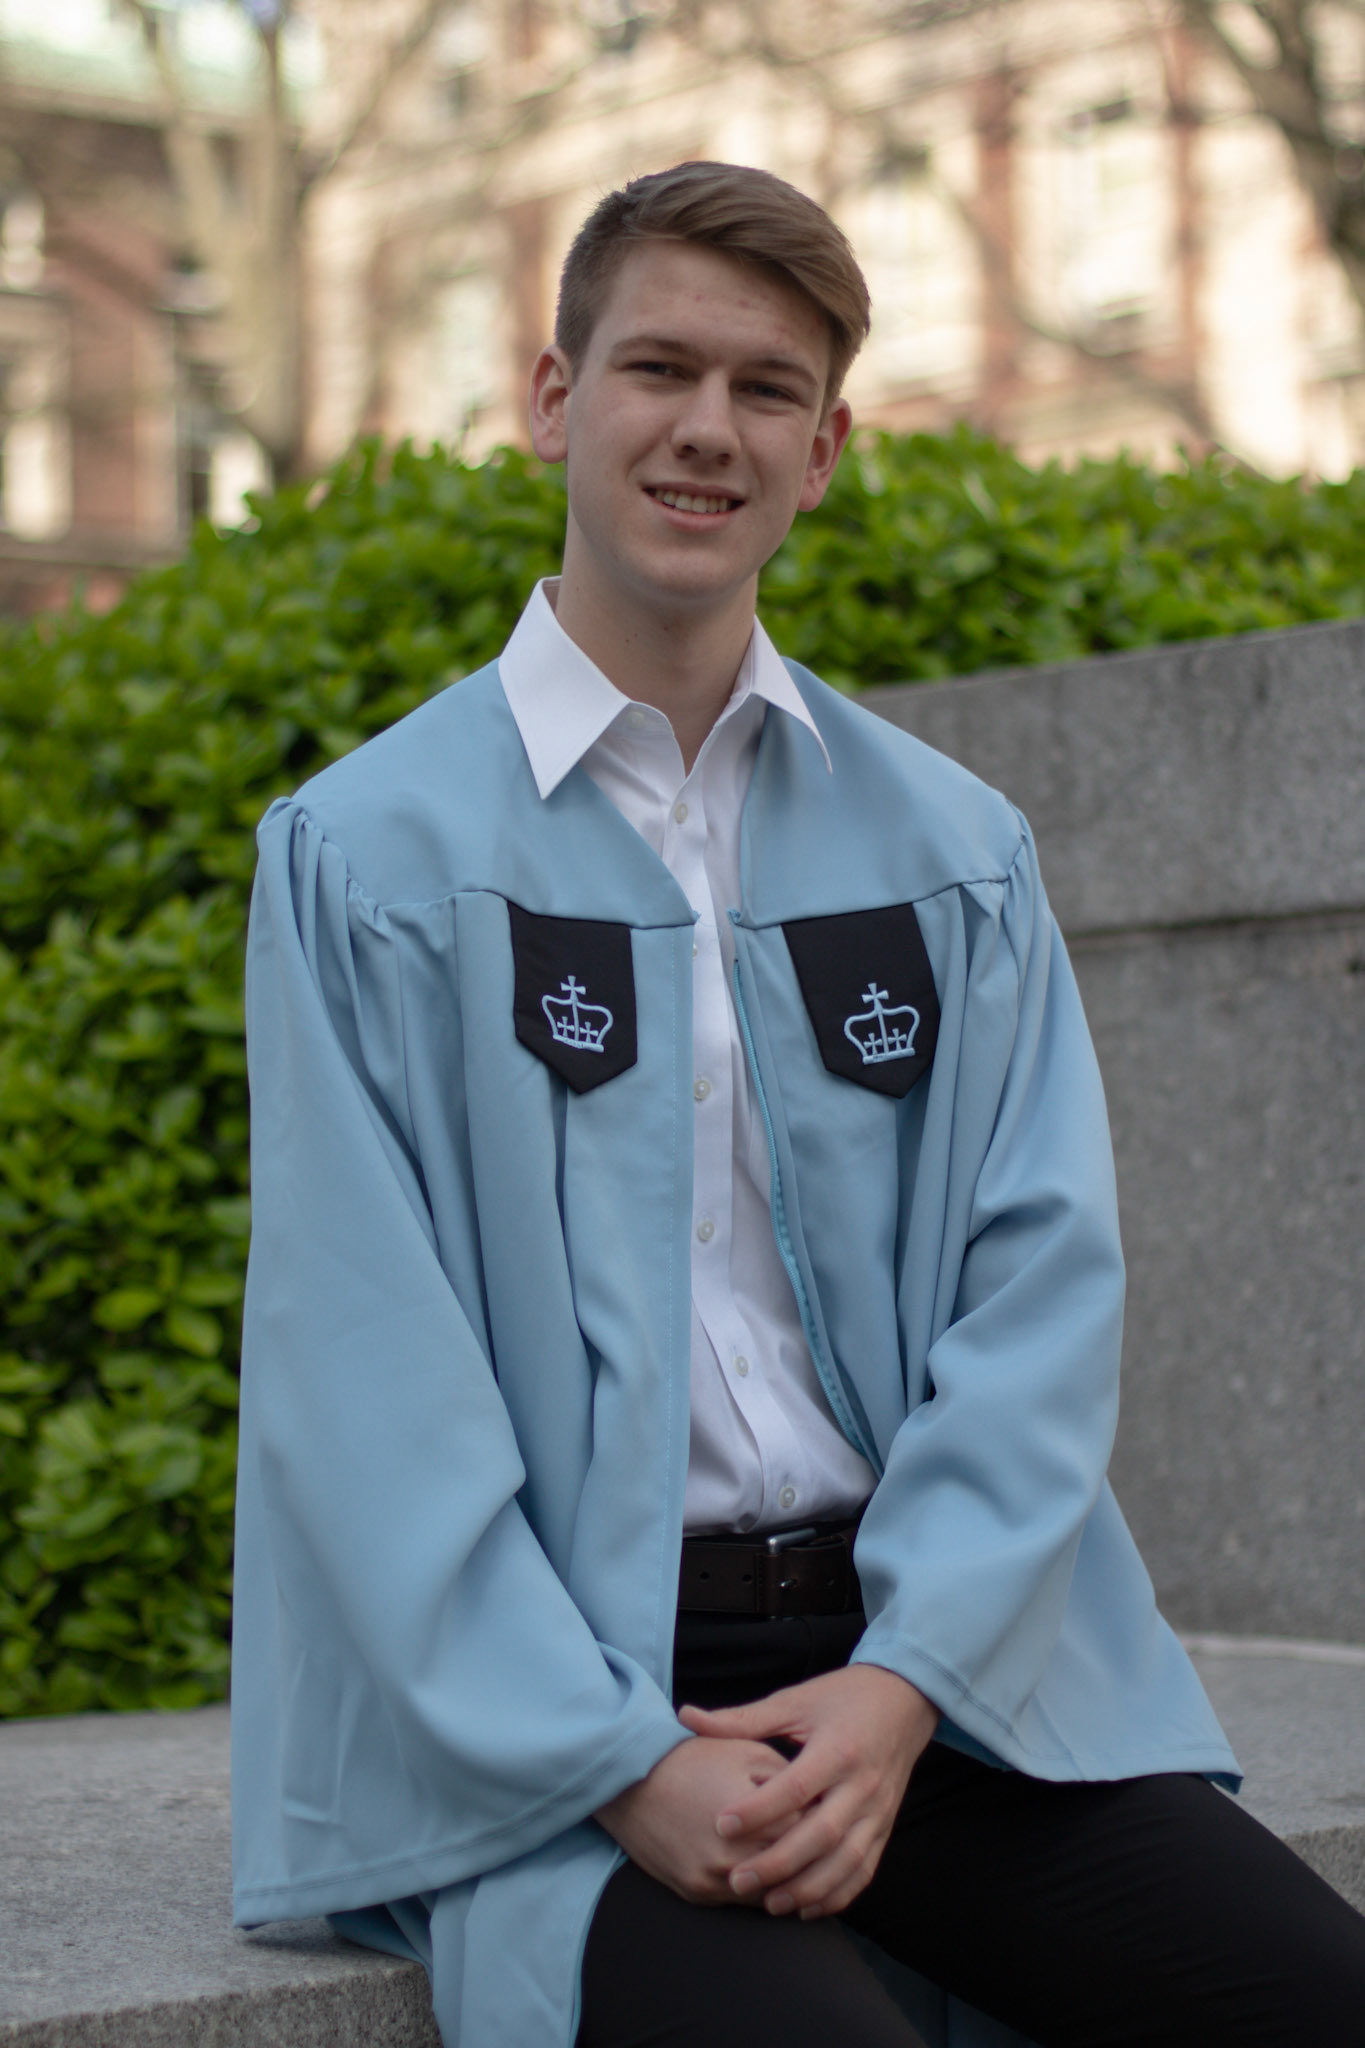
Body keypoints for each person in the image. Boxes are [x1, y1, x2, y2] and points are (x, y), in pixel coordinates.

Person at [231, 161, 1365, 2048]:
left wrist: (906, 1684)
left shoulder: (949, 849)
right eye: (658, 368)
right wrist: (613, 1757)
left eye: (767, 389)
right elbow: (362, 1376)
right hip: (560, 1703)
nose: (709, 428)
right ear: (553, 400)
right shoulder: (370, 857)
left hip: (928, 1677)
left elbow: (1037, 1296)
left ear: (823, 449)